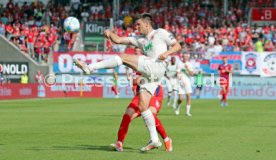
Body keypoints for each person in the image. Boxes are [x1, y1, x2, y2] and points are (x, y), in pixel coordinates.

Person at [73, 13, 181, 152]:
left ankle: (90, 68)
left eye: (139, 25)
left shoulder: (160, 33)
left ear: (147, 24)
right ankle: (155, 140)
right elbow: (118, 40)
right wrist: (108, 33)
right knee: (143, 107)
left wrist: (167, 53)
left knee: (123, 57)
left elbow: (177, 45)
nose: (137, 27)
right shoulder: (139, 39)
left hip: (157, 65)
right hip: (151, 76)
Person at [110, 78, 172, 152]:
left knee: (151, 115)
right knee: (127, 115)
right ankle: (119, 143)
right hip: (141, 93)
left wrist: (140, 78)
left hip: (155, 92)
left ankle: (166, 139)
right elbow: (134, 81)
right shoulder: (132, 68)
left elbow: (140, 79)